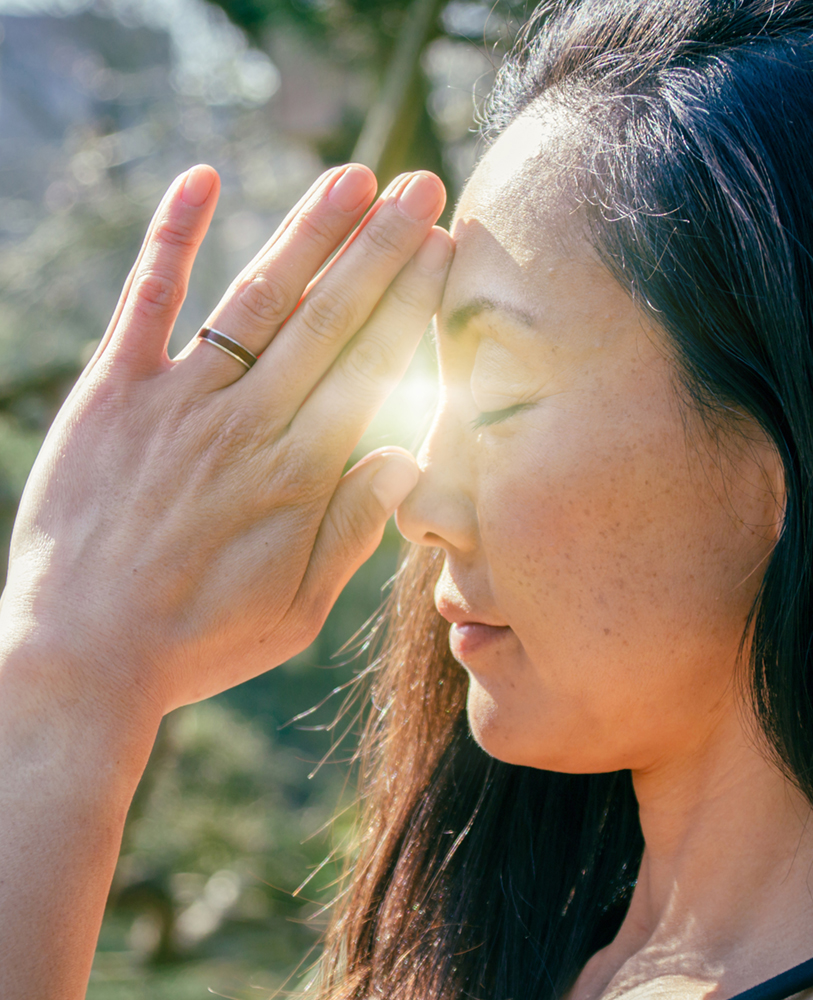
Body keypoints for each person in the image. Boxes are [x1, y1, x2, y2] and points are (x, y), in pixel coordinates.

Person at [2, 0, 813, 996]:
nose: (418, 503)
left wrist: (70, 671)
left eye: (503, 390)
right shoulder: (513, 951)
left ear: (780, 441)